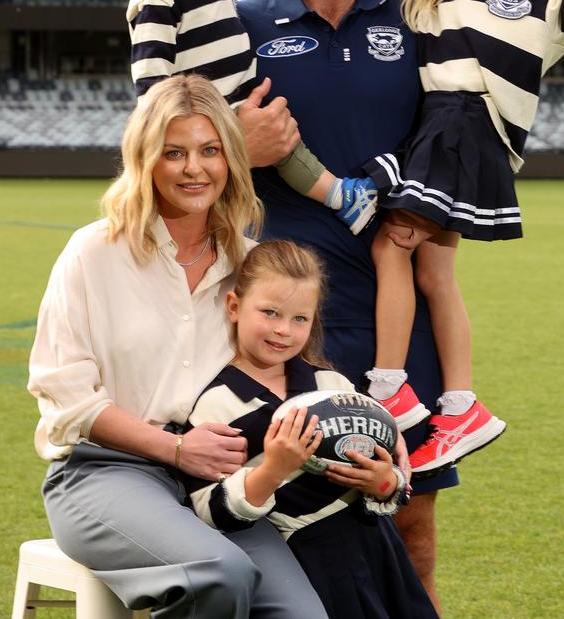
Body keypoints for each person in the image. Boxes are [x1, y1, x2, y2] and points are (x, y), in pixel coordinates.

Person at [236, 0, 458, 612]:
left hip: (402, 319)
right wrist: (238, 142)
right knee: (296, 531)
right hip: (288, 323)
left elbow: (470, 130)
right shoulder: (241, 24)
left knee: (413, 527)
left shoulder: (422, 14)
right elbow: (172, 151)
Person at [27, 74, 329, 619]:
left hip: (216, 482)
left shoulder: (250, 262)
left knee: (301, 615)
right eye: (175, 153)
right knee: (220, 572)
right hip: (104, 472)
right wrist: (175, 448)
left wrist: (374, 430)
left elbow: (293, 367)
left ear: (231, 158)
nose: (195, 169)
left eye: (210, 150)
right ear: (146, 159)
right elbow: (65, 398)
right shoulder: (94, 253)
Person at [358, 0, 564, 477]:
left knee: (392, 244)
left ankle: (389, 387)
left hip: (464, 122)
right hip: (443, 124)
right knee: (436, 274)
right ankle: (460, 405)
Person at [177, 239, 439, 619]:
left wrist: (384, 482)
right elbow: (209, 511)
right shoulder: (216, 402)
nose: (283, 330)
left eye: (299, 319)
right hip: (307, 562)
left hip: (378, 552)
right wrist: (273, 469)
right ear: (234, 306)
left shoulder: (332, 385)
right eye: (269, 312)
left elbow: (392, 479)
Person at [127, 0, 377, 234]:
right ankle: (340, 196)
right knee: (269, 156)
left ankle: (341, 196)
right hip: (205, 114)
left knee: (285, 142)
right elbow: (151, 75)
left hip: (237, 102)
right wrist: (176, 129)